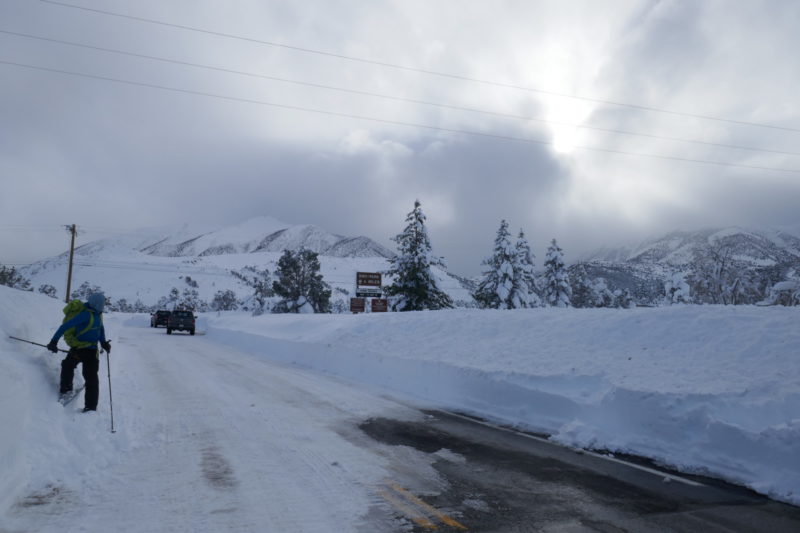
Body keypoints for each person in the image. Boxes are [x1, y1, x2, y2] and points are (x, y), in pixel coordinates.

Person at [47, 292, 111, 412]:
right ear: (97, 303)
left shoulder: (98, 315)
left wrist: (103, 343)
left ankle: (80, 399)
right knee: (87, 376)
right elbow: (65, 326)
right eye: (103, 303)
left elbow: (100, 330)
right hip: (81, 350)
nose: (104, 305)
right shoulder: (85, 315)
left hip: (87, 351)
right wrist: (53, 341)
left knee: (73, 368)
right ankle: (89, 406)